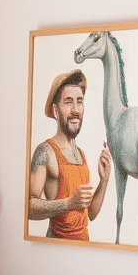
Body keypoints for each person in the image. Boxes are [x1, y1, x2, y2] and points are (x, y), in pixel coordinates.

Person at [28, 69, 111, 241]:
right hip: (57, 248)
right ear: (55, 110)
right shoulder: (45, 151)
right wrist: (68, 203)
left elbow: (91, 214)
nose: (75, 110)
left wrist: (104, 181)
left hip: (83, 249)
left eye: (79, 102)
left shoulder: (81, 154)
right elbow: (28, 207)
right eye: (68, 102)